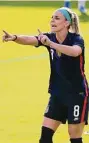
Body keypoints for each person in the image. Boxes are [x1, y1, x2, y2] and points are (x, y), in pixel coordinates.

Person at [2, 7, 89, 143]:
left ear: (66, 23)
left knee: (75, 138)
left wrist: (51, 44)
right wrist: (14, 37)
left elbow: (75, 52)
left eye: (57, 18)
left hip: (77, 95)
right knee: (45, 137)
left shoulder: (76, 39)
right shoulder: (50, 37)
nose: (52, 21)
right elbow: (30, 39)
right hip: (58, 93)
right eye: (52, 18)